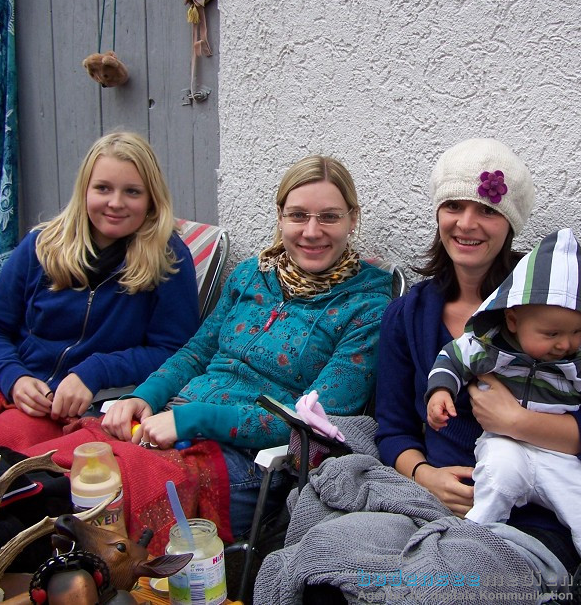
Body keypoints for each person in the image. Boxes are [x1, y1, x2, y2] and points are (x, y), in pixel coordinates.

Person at [254, 138, 581, 604]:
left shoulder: (551, 314)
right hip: (424, 500)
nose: (467, 223)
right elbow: (394, 427)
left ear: (510, 223)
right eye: (454, 206)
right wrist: (425, 474)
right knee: (324, 568)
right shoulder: (408, 314)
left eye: (486, 210)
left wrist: (515, 422)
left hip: (530, 515)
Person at [101, 155, 393, 537]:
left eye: (329, 217)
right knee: (77, 465)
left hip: (248, 462)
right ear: (280, 217)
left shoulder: (368, 306)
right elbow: (197, 352)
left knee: (113, 496)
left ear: (353, 219)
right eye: (298, 215)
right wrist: (144, 397)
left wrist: (194, 419)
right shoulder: (252, 275)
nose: (311, 231)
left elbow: (316, 422)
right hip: (170, 423)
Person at [0, 132, 200, 450]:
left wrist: (94, 371)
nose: (115, 203)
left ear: (151, 199)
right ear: (84, 190)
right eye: (103, 188)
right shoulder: (43, 244)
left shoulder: (168, 259)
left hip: (62, 407)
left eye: (132, 192)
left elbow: (175, 352)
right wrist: (13, 377)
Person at [426, 227, 581, 566]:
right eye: (552, 333)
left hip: (562, 457)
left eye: (575, 331)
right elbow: (452, 358)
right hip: (503, 444)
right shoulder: (491, 346)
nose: (565, 343)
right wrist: (440, 391)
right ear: (513, 320)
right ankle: (472, 540)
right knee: (497, 478)